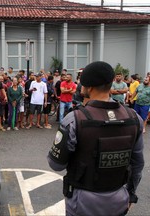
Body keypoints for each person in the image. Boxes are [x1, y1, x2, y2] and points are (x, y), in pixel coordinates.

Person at [47, 61, 144, 216]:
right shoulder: (134, 118)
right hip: (118, 198)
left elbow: (56, 164)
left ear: (88, 87)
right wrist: (131, 194)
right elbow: (138, 164)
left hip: (83, 201)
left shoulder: (74, 119)